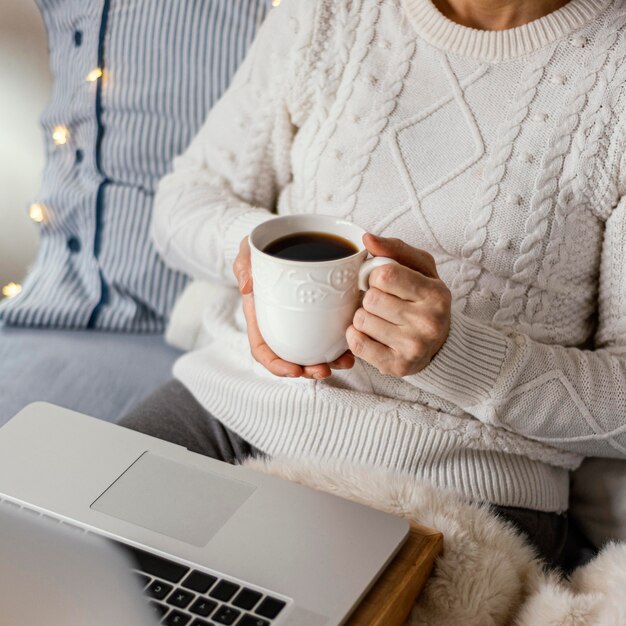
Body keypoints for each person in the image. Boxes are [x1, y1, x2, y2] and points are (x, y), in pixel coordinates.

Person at [120, 0, 626, 568]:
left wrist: (457, 355)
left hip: (454, 482)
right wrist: (265, 264)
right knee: (53, 551)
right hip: (227, 410)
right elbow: (185, 200)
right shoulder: (331, 13)